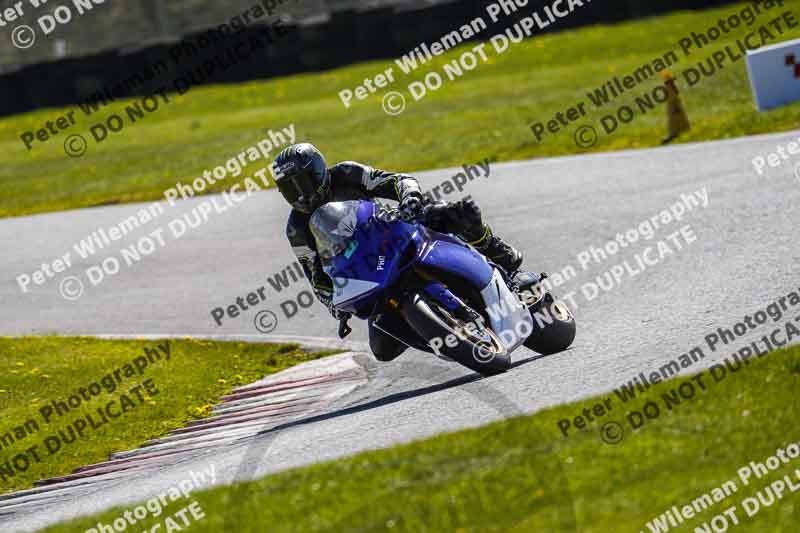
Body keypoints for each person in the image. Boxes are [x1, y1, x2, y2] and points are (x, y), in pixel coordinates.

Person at [272, 143, 523, 361]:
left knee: (457, 213)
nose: (300, 194)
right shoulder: (296, 229)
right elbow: (316, 278)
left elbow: (397, 180)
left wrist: (410, 198)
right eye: (290, 189)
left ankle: (500, 253)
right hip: (367, 270)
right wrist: (336, 304)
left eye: (302, 183)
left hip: (395, 229)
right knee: (382, 349)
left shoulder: (346, 173)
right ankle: (439, 331)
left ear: (318, 171)